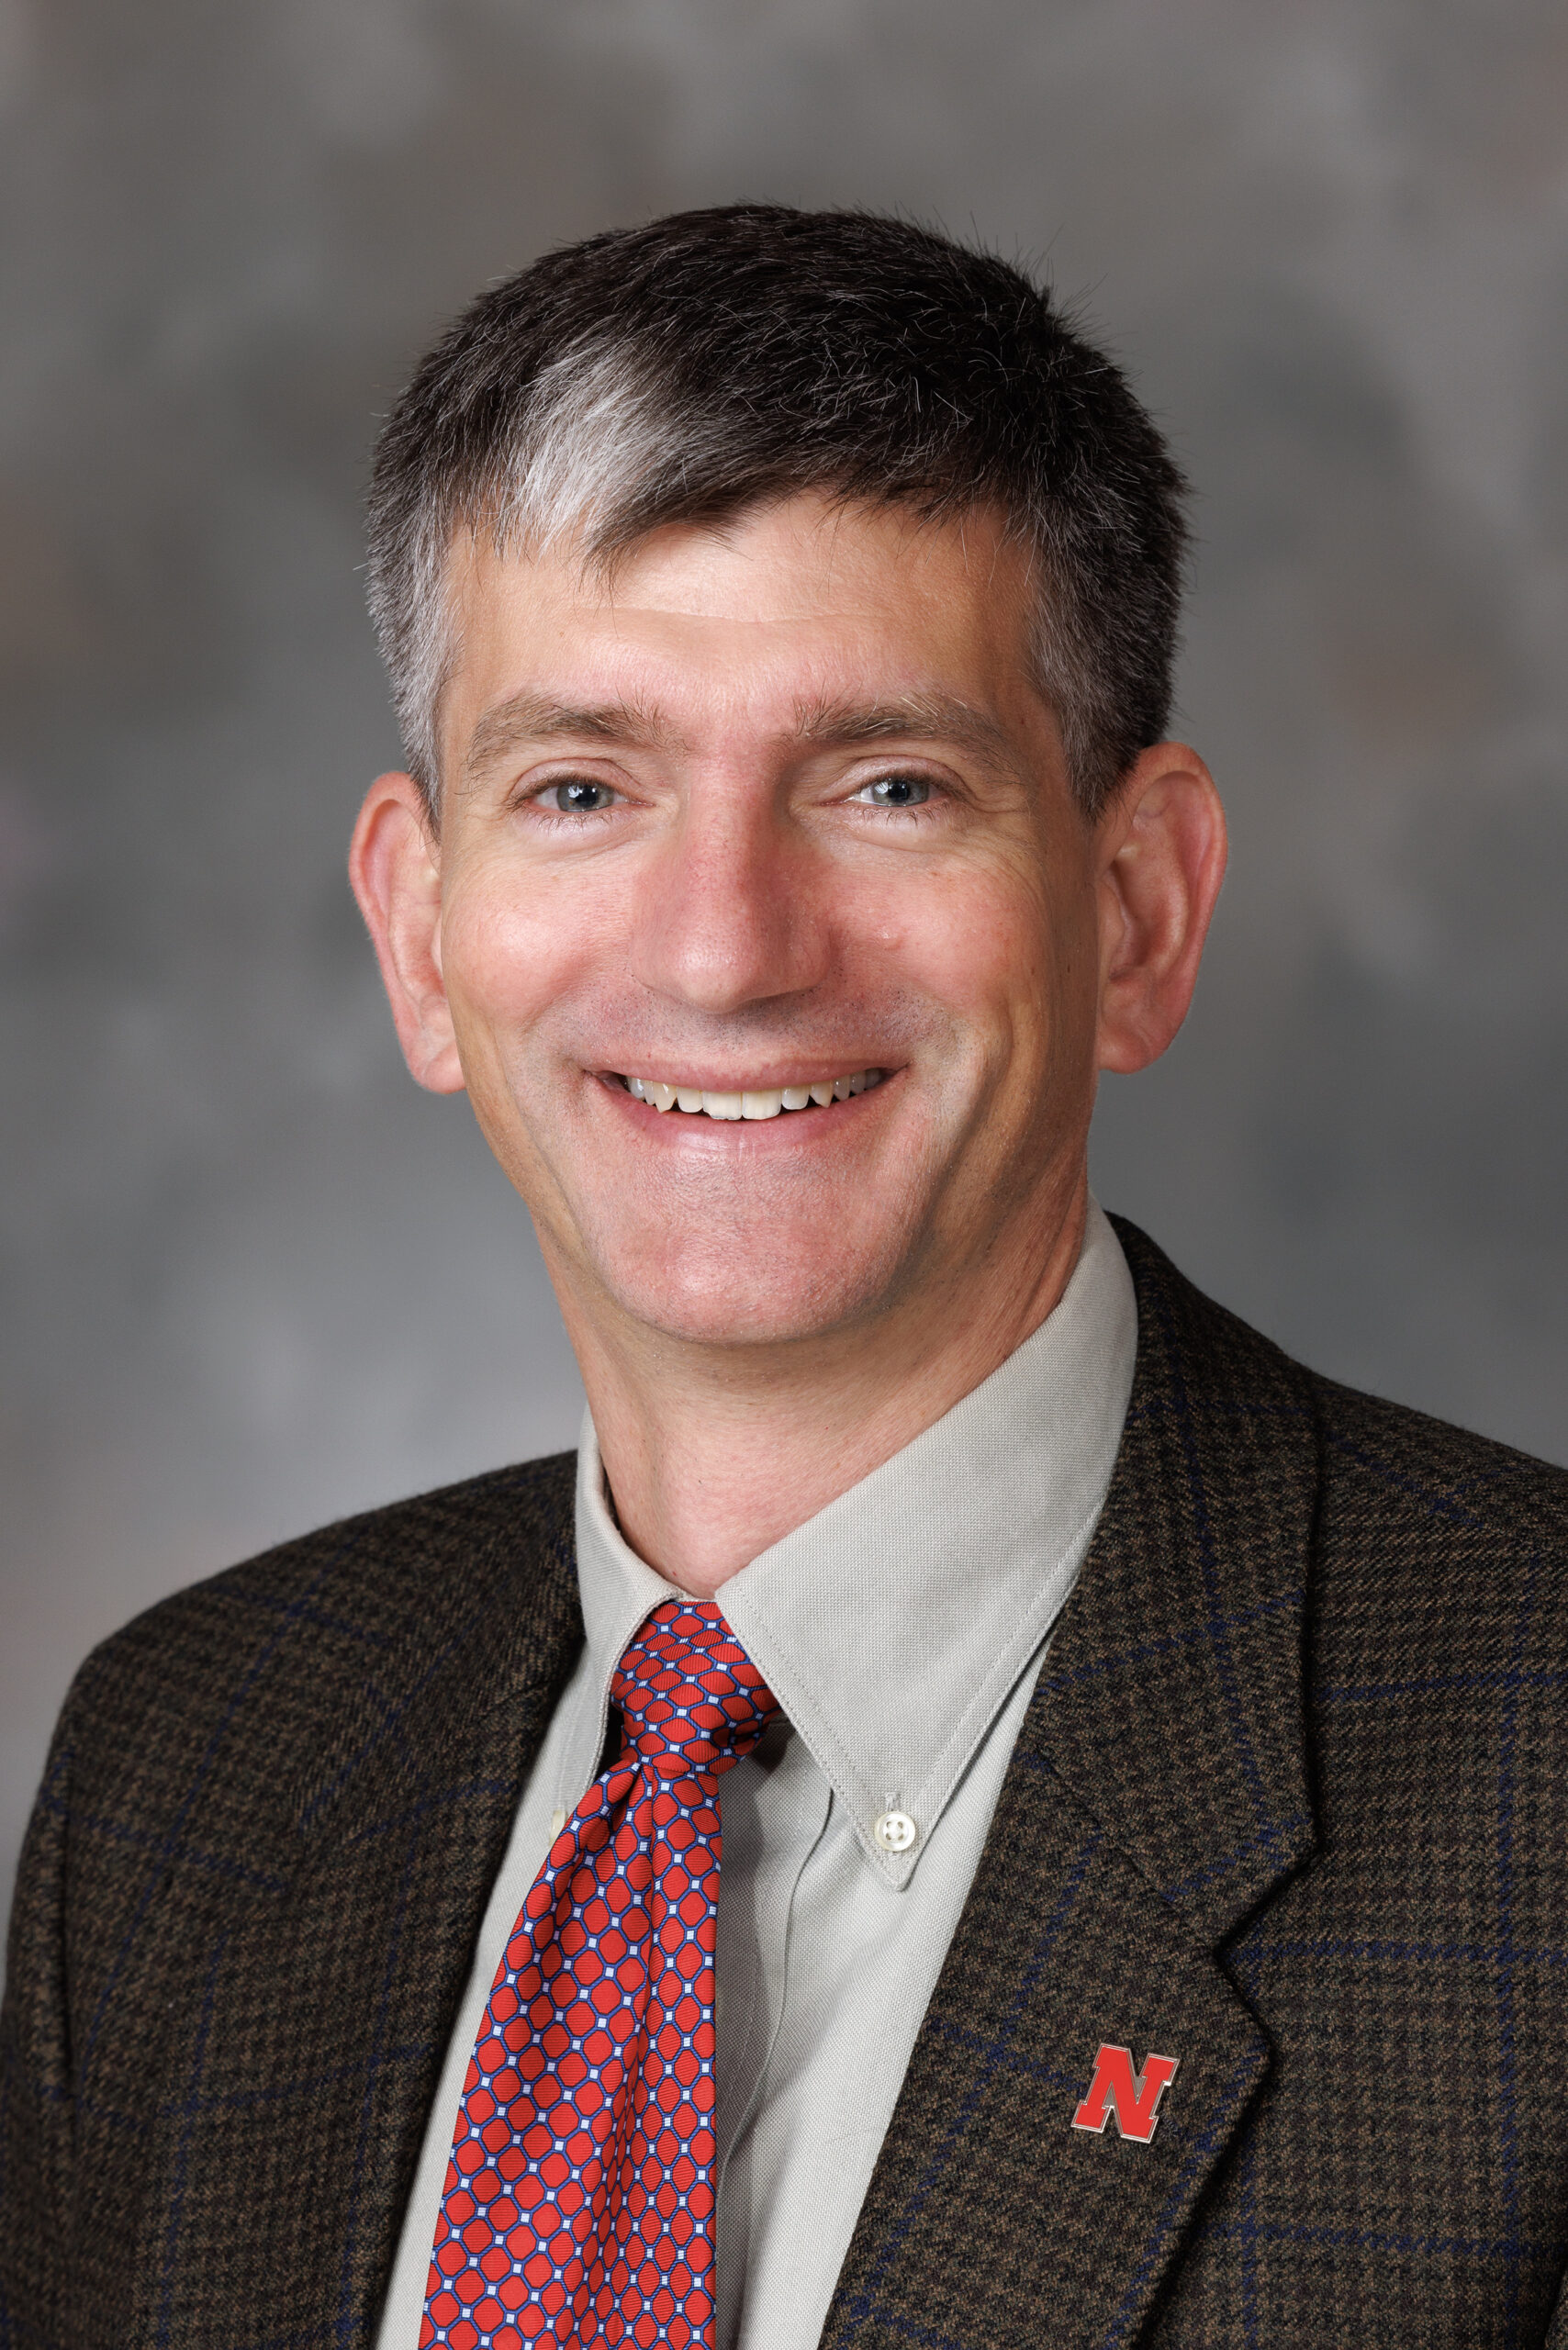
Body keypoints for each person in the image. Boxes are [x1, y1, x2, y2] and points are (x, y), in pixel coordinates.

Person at [3, 203, 1565, 2350]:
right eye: (580, 786)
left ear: (1131, 907)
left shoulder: (1531, 1778)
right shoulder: (189, 1773)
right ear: (417, 933)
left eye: (887, 782)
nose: (726, 943)